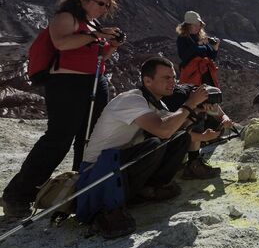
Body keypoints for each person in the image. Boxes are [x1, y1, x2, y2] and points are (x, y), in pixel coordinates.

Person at [1, 0, 124, 218]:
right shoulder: (66, 17)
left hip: (95, 81)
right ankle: (17, 195)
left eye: (106, 6)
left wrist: (113, 45)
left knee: (90, 137)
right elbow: (62, 43)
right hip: (68, 84)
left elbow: (101, 54)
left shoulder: (92, 23)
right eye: (100, 3)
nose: (103, 9)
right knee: (58, 139)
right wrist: (96, 35)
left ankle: (80, 186)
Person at [75, 57, 221, 238]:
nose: (172, 82)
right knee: (154, 144)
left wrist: (197, 113)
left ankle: (148, 189)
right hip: (99, 170)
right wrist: (189, 103)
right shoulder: (131, 100)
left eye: (173, 77)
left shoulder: (155, 103)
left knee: (180, 137)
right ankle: (112, 205)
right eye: (166, 78)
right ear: (147, 81)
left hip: (120, 163)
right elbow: (163, 130)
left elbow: (177, 129)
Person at [161, 84, 233, 180]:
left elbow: (221, 115)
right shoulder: (178, 98)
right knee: (195, 117)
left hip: (176, 132)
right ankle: (191, 165)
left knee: (197, 115)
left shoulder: (202, 94)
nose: (211, 107)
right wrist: (203, 137)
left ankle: (192, 162)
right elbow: (174, 133)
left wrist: (226, 120)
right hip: (163, 141)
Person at [176, 11, 220, 87]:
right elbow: (184, 56)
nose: (198, 27)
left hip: (206, 75)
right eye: (195, 25)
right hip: (192, 76)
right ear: (188, 25)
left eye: (199, 25)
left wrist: (215, 47)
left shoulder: (200, 37)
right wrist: (198, 44)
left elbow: (212, 57)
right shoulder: (182, 38)